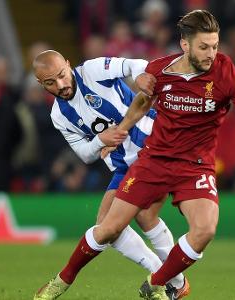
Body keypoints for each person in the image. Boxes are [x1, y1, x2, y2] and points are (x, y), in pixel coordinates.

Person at [38, 9, 235, 300]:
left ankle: (158, 282)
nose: (211, 54)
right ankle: (63, 282)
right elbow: (140, 105)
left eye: (215, 46)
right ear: (185, 45)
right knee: (109, 228)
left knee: (204, 230)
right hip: (153, 160)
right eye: (204, 47)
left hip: (195, 165)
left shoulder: (225, 72)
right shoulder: (161, 70)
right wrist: (115, 133)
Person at [32, 50, 188, 299]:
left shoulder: (93, 71)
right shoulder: (59, 116)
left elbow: (137, 64)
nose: (61, 85)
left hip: (152, 144)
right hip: (124, 166)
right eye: (51, 82)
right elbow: (84, 153)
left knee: (121, 223)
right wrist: (99, 142)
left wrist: (139, 78)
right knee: (112, 227)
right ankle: (170, 278)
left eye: (62, 75)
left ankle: (171, 281)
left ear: (68, 65)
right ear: (42, 84)